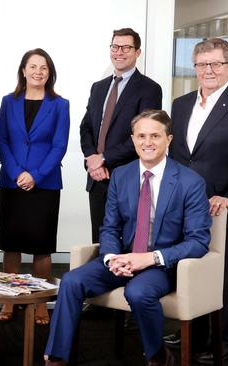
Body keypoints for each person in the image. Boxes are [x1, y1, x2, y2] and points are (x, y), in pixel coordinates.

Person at [45, 110, 211, 366]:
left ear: (169, 139)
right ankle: (56, 358)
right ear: (133, 139)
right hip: (122, 258)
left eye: (155, 135)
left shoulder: (190, 182)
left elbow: (198, 241)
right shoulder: (121, 175)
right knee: (71, 281)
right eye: (141, 136)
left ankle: (157, 356)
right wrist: (112, 258)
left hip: (162, 264)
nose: (147, 142)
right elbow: (110, 227)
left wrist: (150, 258)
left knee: (138, 292)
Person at [167, 37, 228, 363]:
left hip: (224, 210)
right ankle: (192, 335)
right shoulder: (180, 105)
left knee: (226, 280)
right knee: (189, 270)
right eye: (202, 64)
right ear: (194, 67)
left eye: (216, 64)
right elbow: (179, 157)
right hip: (186, 207)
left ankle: (222, 342)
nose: (208, 70)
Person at [0, 49, 70, 323]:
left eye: (44, 68)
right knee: (11, 246)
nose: (38, 71)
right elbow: (0, 140)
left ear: (50, 73)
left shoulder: (60, 105)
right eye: (33, 66)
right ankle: (9, 301)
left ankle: (39, 303)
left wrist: (35, 175)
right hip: (12, 184)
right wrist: (17, 173)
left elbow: (59, 145)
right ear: (23, 71)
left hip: (45, 184)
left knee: (42, 246)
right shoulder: (8, 101)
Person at [79, 27, 162, 243]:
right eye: (115, 46)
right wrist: (93, 161)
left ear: (138, 52)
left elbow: (144, 137)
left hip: (129, 178)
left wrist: (104, 158)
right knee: (99, 241)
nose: (120, 52)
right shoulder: (98, 87)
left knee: (129, 242)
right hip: (98, 179)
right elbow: (86, 127)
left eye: (126, 47)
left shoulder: (149, 89)